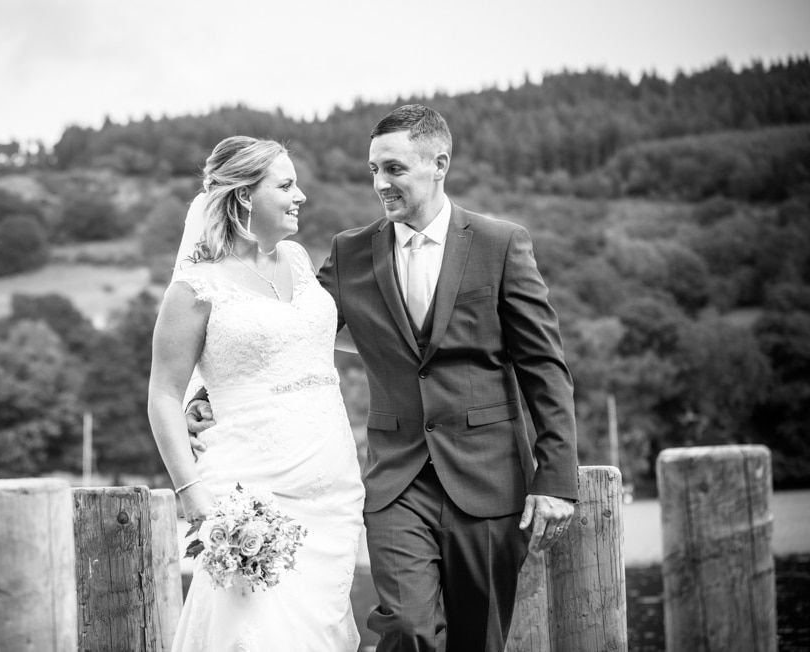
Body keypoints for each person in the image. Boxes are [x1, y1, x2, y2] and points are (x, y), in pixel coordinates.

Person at [189, 105, 579, 651]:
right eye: (374, 170)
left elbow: (544, 366)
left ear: (439, 164)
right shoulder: (351, 252)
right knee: (405, 626)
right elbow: (289, 331)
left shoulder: (501, 244)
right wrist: (213, 391)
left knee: (480, 638)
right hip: (398, 478)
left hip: (490, 476)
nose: (380, 183)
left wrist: (556, 477)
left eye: (394, 169)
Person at [148, 136, 365, 651]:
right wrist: (190, 491)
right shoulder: (195, 288)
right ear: (245, 195)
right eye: (286, 185)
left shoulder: (297, 260)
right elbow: (163, 394)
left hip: (333, 493)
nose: (300, 196)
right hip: (251, 493)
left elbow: (303, 341)